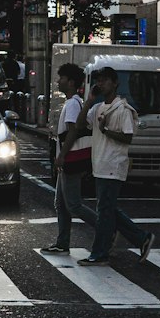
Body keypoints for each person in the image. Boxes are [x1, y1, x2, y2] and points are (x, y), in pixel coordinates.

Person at [82, 67, 154, 266]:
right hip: (100, 164)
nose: (101, 84)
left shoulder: (122, 109)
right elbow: (81, 123)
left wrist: (106, 130)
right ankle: (141, 238)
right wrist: (89, 100)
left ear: (115, 83)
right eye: (99, 81)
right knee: (107, 208)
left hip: (113, 164)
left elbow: (128, 137)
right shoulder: (97, 108)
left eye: (105, 80)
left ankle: (100, 252)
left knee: (105, 210)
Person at [47, 62, 97, 253]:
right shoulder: (71, 102)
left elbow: (72, 133)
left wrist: (61, 157)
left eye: (61, 78)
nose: (58, 81)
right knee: (60, 204)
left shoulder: (73, 104)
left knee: (73, 205)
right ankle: (62, 243)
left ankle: (107, 229)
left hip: (71, 160)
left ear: (71, 82)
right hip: (67, 159)